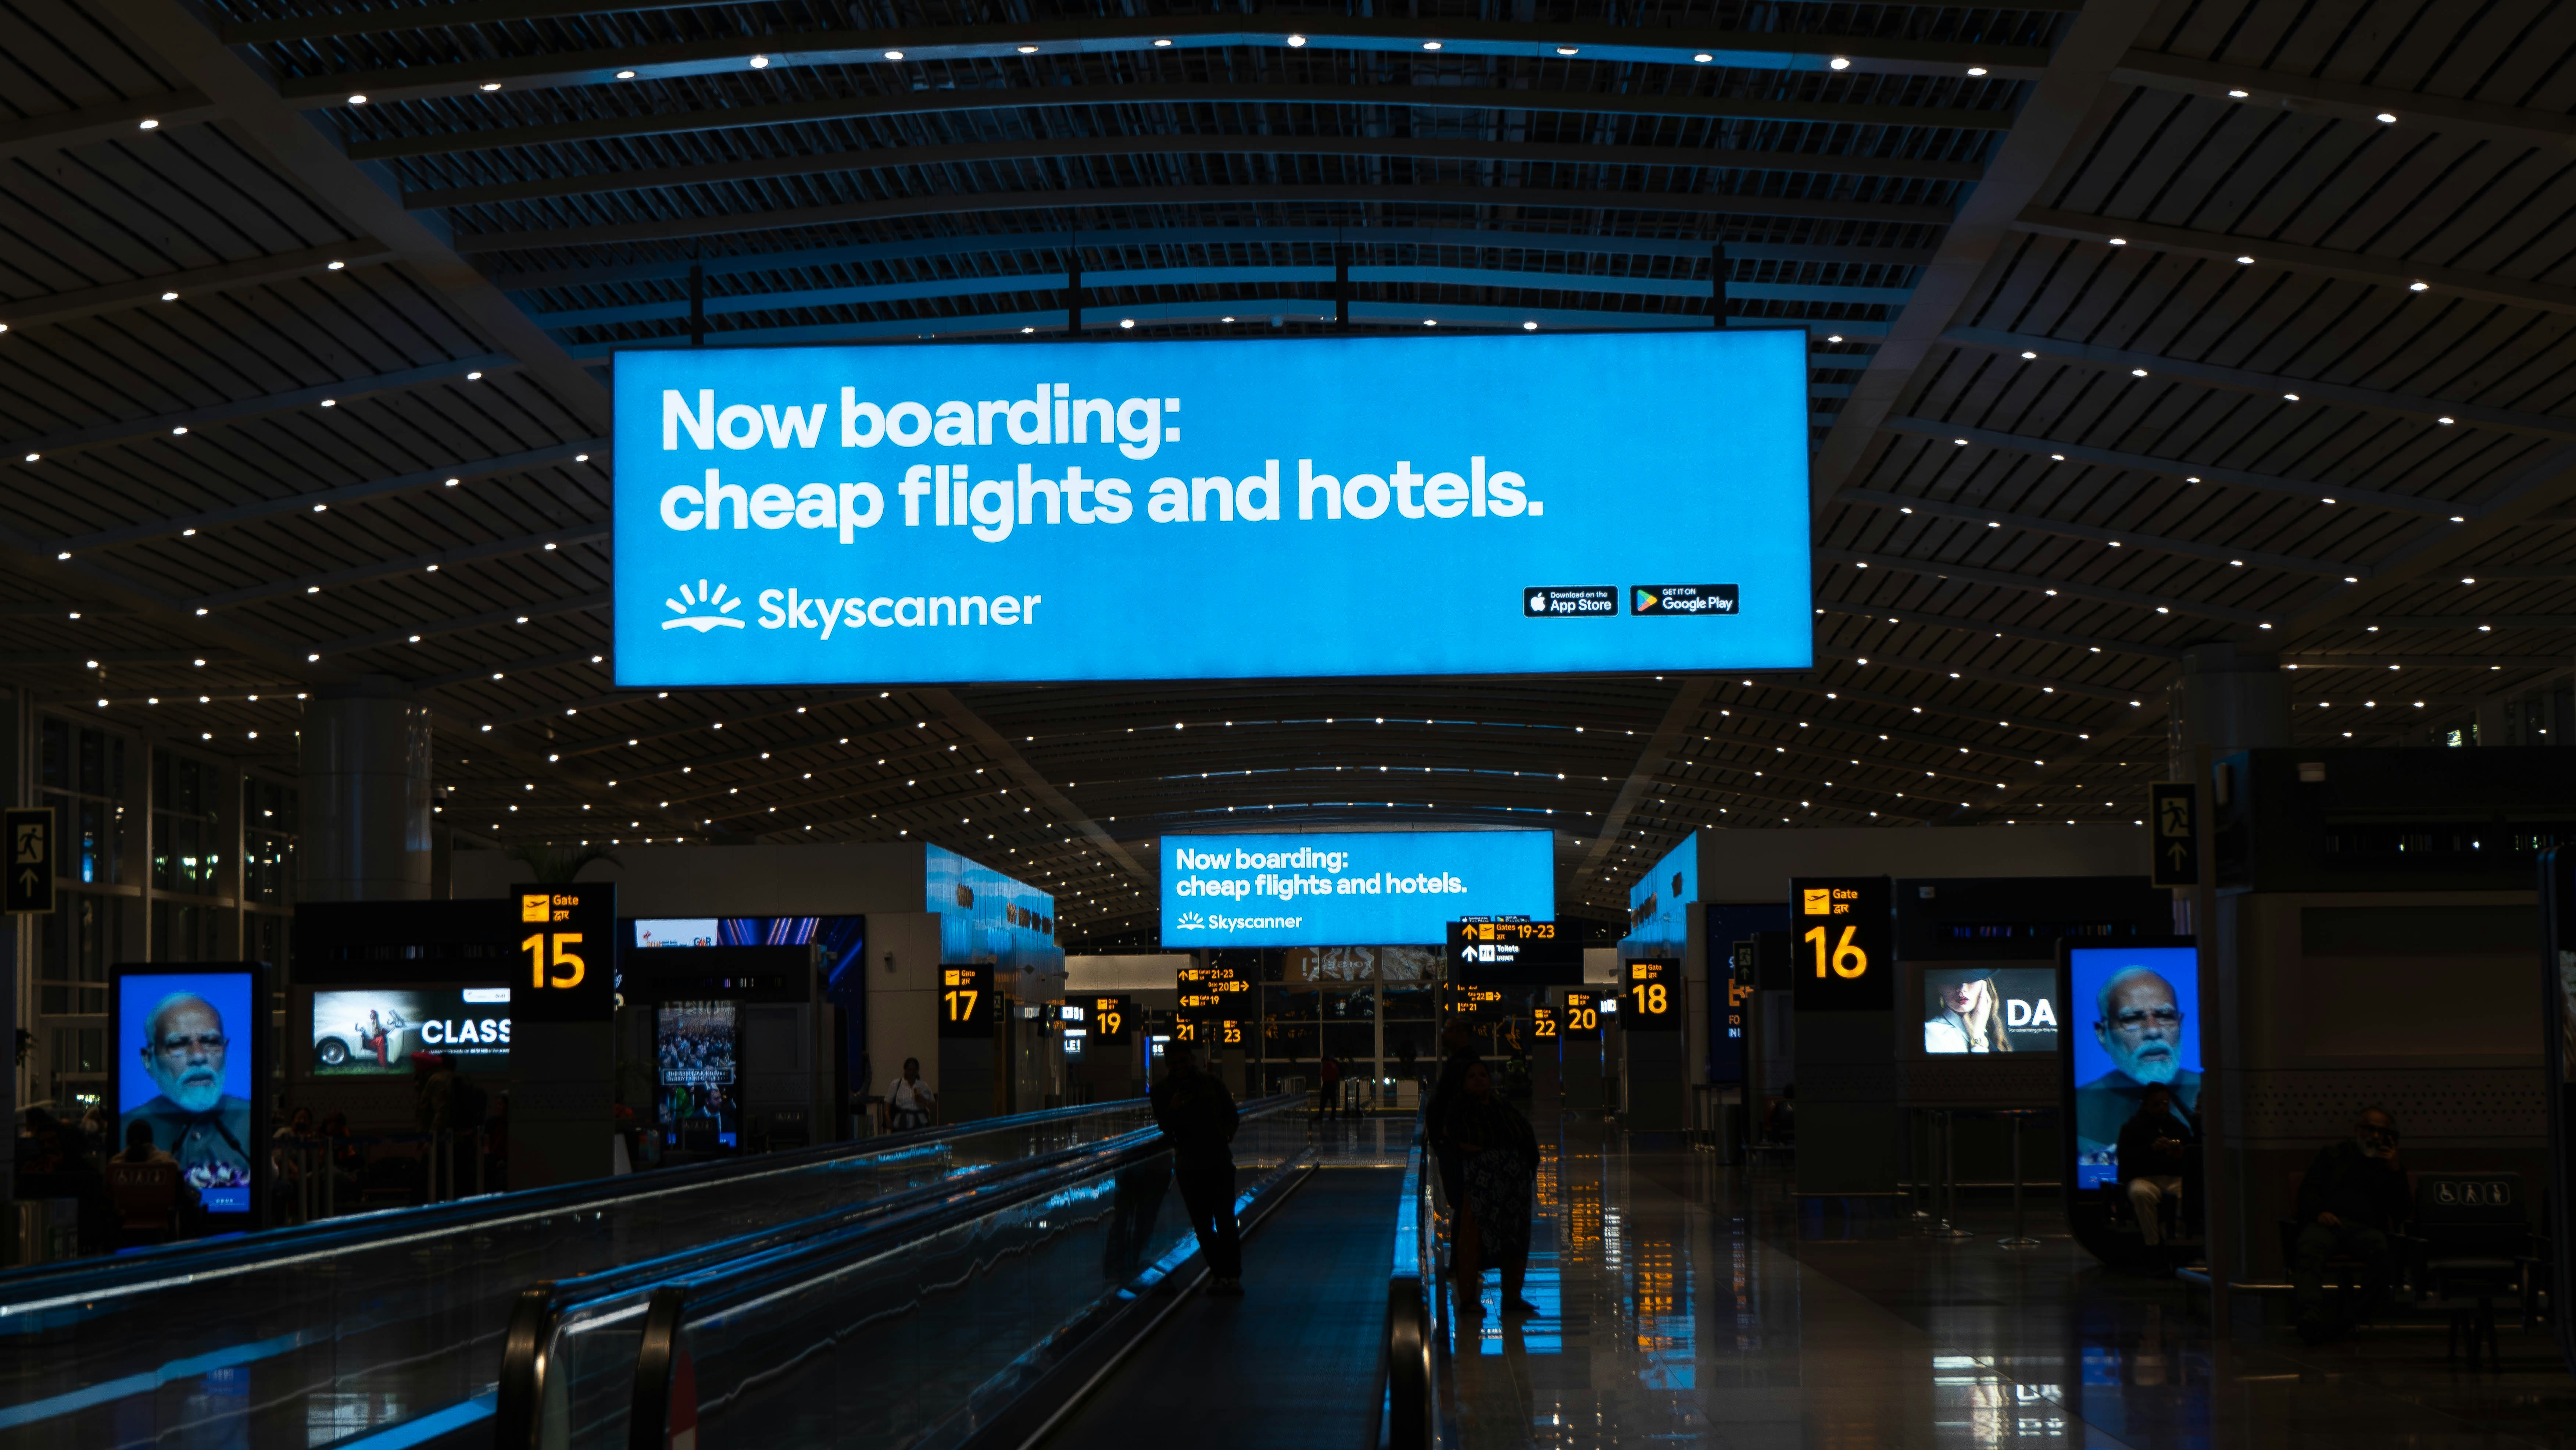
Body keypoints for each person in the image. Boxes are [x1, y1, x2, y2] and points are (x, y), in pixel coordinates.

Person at [2291, 1106, 2412, 1343]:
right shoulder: (2334, 1155)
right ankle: (2309, 1317)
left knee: (2384, 1253)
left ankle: (2353, 1317)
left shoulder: (2388, 1165)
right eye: (2370, 1129)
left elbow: (2403, 1210)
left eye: (2381, 1132)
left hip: (2366, 1228)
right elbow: (2308, 1191)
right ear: (2358, 1130)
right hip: (2330, 1223)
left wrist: (2394, 1171)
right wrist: (2319, 1213)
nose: (2375, 1136)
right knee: (2309, 1247)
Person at [121, 992, 255, 1198]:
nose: (199, 1056)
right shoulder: (125, 1129)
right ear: (148, 1061)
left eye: (211, 1041)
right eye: (177, 1044)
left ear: (225, 1050)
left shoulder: (251, 1120)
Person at [1447, 1060, 1541, 1317]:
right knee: (1473, 1239)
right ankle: (1469, 1300)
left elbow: (1525, 1134)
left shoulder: (1503, 1107)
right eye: (1472, 1076)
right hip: (1480, 1186)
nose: (1479, 1079)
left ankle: (1513, 1297)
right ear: (1464, 1083)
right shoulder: (1460, 1110)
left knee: (1515, 1236)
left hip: (1514, 1187)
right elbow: (1461, 1143)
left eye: (1483, 1075)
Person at [2075, 967, 2203, 1155]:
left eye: (2165, 1016)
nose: (2153, 1031)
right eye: (2132, 1019)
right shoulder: (2079, 1106)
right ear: (2102, 1034)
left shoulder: (2211, 1093)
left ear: (2180, 1024)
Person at [1151, 1046, 1244, 1296]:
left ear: (1192, 1060)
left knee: (1224, 1221)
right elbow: (1165, 1126)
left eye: (1183, 1061)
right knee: (1204, 1226)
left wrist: (1226, 1133)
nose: (1180, 1067)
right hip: (1193, 1165)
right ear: (1168, 1064)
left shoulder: (1211, 1083)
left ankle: (1230, 1275)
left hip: (1213, 1161)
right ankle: (1223, 1274)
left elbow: (1232, 1115)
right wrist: (1173, 1108)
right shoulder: (1163, 1092)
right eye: (1175, 1063)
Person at [2117, 1083, 2196, 1262]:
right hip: (2144, 1178)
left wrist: (2181, 1153)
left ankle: (2179, 1243)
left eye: (2165, 1104)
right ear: (2146, 1104)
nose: (2162, 1108)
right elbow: (2126, 1160)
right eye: (2156, 1104)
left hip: (2173, 1178)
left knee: (2191, 1192)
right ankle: (2153, 1246)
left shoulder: (2178, 1127)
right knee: (2140, 1193)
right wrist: (2150, 1150)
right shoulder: (2132, 1128)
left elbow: (2190, 1155)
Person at [1924, 967, 2011, 1054]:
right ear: (1939, 988)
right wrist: (1977, 1040)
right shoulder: (1931, 1032)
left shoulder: (1989, 1028)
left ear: (1984, 984)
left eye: (1971, 980)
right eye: (1952, 981)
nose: (1962, 988)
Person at [887, 1058, 937, 1131]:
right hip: (901, 1122)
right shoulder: (896, 1084)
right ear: (905, 1070)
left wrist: (923, 1100)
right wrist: (888, 1117)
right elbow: (888, 1102)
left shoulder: (924, 1086)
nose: (911, 1073)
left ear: (917, 1071)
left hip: (920, 1123)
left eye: (914, 1070)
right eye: (909, 1070)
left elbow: (934, 1107)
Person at [1317, 1053, 1343, 1122]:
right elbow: (1337, 1074)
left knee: (1323, 1102)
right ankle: (1333, 1117)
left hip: (1327, 1085)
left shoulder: (1326, 1064)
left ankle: (1320, 1116)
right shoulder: (1334, 1064)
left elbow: (1323, 1073)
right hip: (1333, 1084)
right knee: (1333, 1102)